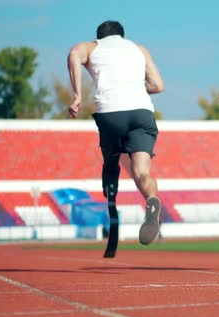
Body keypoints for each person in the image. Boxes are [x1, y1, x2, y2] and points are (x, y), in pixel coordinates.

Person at [67, 20, 164, 253]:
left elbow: (73, 55)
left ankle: (112, 208)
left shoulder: (92, 47)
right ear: (122, 36)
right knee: (142, 173)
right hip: (142, 113)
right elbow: (158, 85)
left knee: (111, 162)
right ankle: (152, 201)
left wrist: (77, 96)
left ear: (98, 37)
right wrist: (136, 88)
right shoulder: (139, 49)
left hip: (111, 115)